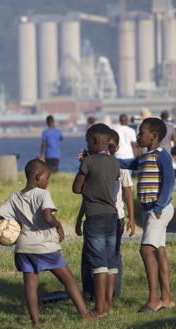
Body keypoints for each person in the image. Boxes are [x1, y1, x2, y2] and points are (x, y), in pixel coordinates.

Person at [0, 159, 90, 326]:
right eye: (46, 178)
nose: (47, 182)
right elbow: (48, 216)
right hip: (45, 247)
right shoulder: (42, 194)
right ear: (37, 176)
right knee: (68, 280)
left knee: (30, 285)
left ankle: (35, 322)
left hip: (24, 249)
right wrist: (59, 225)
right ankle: (85, 314)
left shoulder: (15, 197)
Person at [118, 117, 175, 312]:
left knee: (146, 250)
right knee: (158, 250)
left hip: (158, 209)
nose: (137, 136)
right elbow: (126, 163)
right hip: (150, 210)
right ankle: (166, 298)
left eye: (141, 133)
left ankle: (153, 300)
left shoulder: (161, 155)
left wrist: (158, 207)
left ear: (153, 136)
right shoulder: (143, 156)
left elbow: (169, 183)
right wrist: (106, 157)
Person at [75, 129, 136, 301]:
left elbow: (128, 192)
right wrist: (80, 217)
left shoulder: (116, 165)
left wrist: (131, 218)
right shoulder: (104, 163)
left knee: (106, 258)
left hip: (111, 215)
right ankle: (97, 296)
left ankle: (107, 297)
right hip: (108, 214)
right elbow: (87, 193)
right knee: (101, 257)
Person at [72, 123, 120, 317]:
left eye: (87, 142)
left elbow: (76, 188)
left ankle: (99, 309)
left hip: (95, 216)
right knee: (110, 262)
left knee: (98, 263)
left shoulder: (88, 162)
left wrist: (84, 163)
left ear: (94, 141)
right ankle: (107, 303)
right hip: (112, 216)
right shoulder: (115, 163)